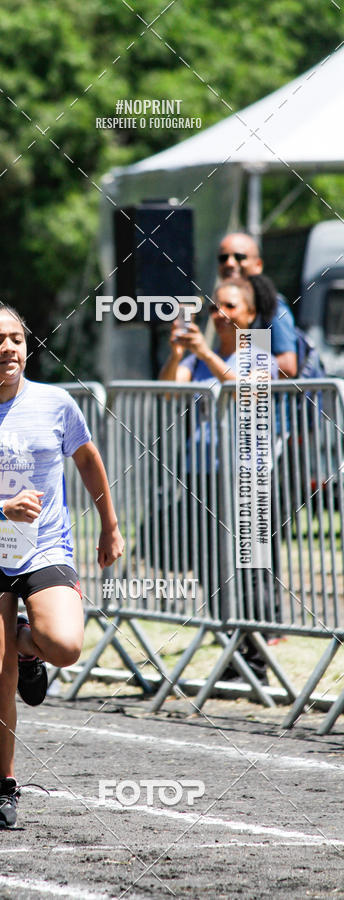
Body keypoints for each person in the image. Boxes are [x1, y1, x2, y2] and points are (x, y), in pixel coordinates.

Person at [0, 303, 124, 828]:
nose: (8, 348)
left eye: (16, 338)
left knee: (63, 646)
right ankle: (3, 788)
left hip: (45, 549)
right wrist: (2, 508)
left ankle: (24, 642)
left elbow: (86, 457)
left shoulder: (56, 403)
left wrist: (109, 524)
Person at [159, 278, 279, 685]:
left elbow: (245, 390)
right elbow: (167, 394)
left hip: (248, 475)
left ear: (248, 315)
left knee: (250, 568)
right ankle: (232, 655)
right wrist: (178, 355)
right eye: (213, 307)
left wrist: (204, 352)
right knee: (213, 569)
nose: (217, 314)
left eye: (227, 306)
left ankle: (257, 663)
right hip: (204, 473)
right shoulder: (199, 356)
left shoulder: (257, 349)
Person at [217, 232, 297, 377]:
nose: (229, 263)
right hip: (240, 396)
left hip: (265, 397)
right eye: (223, 258)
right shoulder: (220, 307)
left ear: (258, 265)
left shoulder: (271, 305)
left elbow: (288, 365)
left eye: (239, 257)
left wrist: (250, 375)